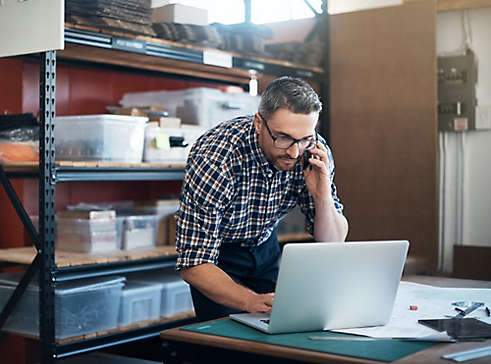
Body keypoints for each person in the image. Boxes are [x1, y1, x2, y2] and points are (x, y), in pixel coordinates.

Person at [175, 76, 348, 322]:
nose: (294, 152)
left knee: (284, 331)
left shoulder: (313, 151)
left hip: (265, 246)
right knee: (226, 345)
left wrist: (323, 197)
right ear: (259, 123)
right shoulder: (216, 158)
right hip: (217, 258)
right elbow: (194, 263)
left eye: (304, 139)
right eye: (283, 137)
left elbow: (332, 241)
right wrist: (249, 300)